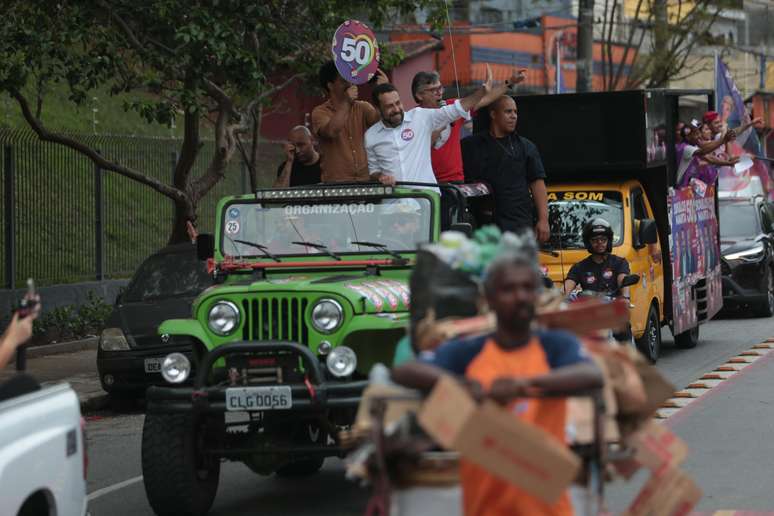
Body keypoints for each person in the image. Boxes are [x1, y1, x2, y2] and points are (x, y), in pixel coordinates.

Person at [392, 234, 602, 516]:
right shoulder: (470, 350)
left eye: (528, 288)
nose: (520, 296)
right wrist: (459, 384)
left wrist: (522, 385)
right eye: (509, 289)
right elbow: (405, 370)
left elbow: (591, 374)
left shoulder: (555, 345)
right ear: (489, 298)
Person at [366, 66, 526, 188]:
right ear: (419, 95)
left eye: (440, 88)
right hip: (427, 184)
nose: (439, 93)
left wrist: (509, 82)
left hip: (453, 181)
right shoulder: (414, 118)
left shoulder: (451, 107)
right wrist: (441, 125)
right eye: (433, 90)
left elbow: (484, 99)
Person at [461, 95, 550, 242]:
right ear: (493, 114)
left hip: (518, 224)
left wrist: (543, 220)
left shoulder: (526, 146)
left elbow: (537, 183)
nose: (513, 116)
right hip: (483, 226)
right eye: (508, 112)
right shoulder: (472, 145)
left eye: (515, 112)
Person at [311, 61, 387, 183]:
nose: (350, 84)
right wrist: (346, 102)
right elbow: (331, 131)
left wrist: (381, 92)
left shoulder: (363, 107)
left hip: (366, 181)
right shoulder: (319, 112)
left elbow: (382, 123)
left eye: (351, 79)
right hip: (336, 184)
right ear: (330, 85)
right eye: (343, 80)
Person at [564, 218, 631, 298]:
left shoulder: (620, 262)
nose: (599, 243)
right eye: (595, 240)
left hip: (614, 307)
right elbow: (567, 288)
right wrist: (561, 297)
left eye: (603, 239)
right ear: (588, 243)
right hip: (589, 307)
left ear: (609, 241)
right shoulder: (579, 267)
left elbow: (623, 282)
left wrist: (625, 297)